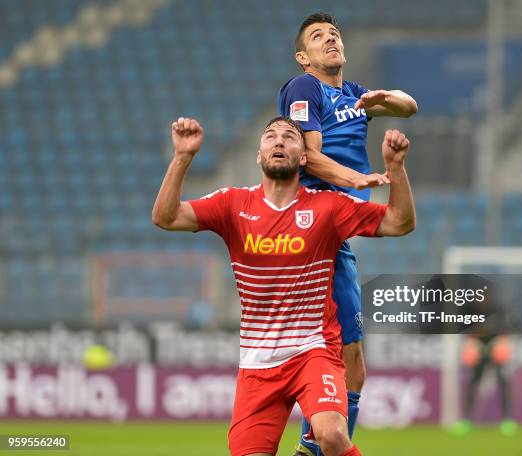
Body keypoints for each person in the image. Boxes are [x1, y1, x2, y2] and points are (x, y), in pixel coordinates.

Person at [152, 116, 416, 456]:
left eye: (290, 137)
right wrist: (183, 157)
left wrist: (396, 168)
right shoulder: (233, 204)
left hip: (313, 352)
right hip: (258, 364)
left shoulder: (327, 207)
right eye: (270, 136)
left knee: (332, 436)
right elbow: (166, 217)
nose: (279, 142)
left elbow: (400, 222)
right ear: (259, 155)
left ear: (304, 156)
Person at [278, 12, 418, 455]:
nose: (330, 40)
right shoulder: (304, 87)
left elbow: (408, 107)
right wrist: (353, 179)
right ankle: (317, 445)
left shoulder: (355, 94)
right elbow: (307, 156)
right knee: (333, 354)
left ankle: (312, 448)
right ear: (304, 57)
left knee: (353, 361)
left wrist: (387, 97)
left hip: (337, 235)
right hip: (309, 224)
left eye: (335, 35)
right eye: (318, 37)